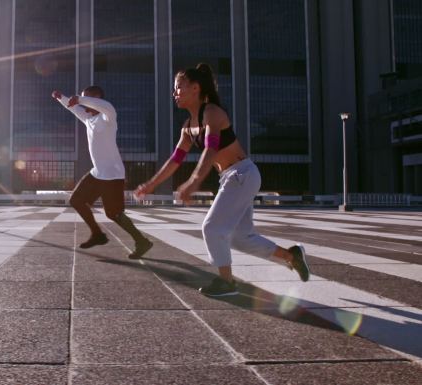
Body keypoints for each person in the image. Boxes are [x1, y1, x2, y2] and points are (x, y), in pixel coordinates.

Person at [133, 63, 310, 296]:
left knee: (212, 227)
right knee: (240, 238)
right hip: (232, 178)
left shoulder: (212, 113)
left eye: (178, 88)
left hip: (242, 174)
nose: (174, 93)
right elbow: (174, 160)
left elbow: (210, 150)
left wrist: (193, 182)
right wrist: (150, 185)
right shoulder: (187, 128)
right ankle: (291, 256)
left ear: (195, 88)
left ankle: (226, 283)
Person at [52, 86, 152, 259]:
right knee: (76, 200)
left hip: (113, 175)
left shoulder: (108, 116)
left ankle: (141, 241)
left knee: (113, 214)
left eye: (88, 99)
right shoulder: (88, 119)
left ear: (97, 98)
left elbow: (102, 105)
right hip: (97, 173)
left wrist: (80, 98)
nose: (84, 103)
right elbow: (74, 108)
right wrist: (62, 98)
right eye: (83, 99)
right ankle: (97, 234)